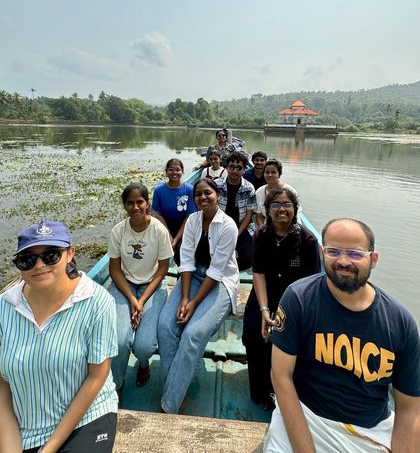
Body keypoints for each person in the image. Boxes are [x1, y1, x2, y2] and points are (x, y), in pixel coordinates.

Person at [264, 218, 420, 453]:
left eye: (355, 254)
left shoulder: (400, 322)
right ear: (321, 254)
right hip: (307, 415)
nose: (343, 261)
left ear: (373, 259)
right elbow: (280, 376)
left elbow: (409, 407)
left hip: (369, 429)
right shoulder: (299, 299)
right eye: (333, 251)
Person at [0, 220, 118, 453]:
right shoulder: (5, 308)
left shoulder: (97, 303)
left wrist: (49, 448)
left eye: (51, 255)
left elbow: (96, 378)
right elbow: (3, 387)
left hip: (86, 419)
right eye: (27, 260)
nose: (39, 265)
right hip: (25, 425)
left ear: (70, 253)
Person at [158, 179, 239, 414]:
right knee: (165, 326)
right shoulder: (193, 221)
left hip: (220, 280)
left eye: (208, 193)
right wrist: (184, 299)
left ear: (217, 195)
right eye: (199, 195)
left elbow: (216, 269)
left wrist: (193, 304)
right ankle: (176, 388)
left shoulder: (228, 225)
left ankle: (169, 404)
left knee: (193, 333)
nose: (203, 198)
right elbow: (186, 260)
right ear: (194, 199)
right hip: (192, 276)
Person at [242, 188, 320, 411]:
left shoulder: (307, 240)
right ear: (267, 210)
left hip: (296, 300)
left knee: (282, 341)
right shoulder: (261, 235)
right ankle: (259, 390)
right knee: (252, 335)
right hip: (265, 294)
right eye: (275, 205)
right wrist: (265, 310)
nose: (281, 209)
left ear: (295, 210)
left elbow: (311, 284)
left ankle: (279, 389)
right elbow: (258, 273)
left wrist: (285, 310)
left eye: (287, 204)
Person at [108, 182, 173, 395]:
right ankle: (117, 383)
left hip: (152, 286)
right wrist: (132, 299)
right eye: (130, 203)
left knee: (144, 345)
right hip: (124, 285)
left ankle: (143, 364)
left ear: (147, 203)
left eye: (140, 202)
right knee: (119, 341)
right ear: (125, 206)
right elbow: (115, 270)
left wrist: (142, 299)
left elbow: (163, 269)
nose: (135, 207)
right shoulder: (118, 231)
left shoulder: (159, 230)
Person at [215, 150, 256, 271]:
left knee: (248, 259)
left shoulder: (249, 188)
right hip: (220, 224)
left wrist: (236, 233)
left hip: (241, 226)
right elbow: (211, 210)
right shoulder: (216, 185)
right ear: (226, 168)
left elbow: (249, 215)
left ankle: (231, 270)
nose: (235, 171)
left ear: (244, 170)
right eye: (231, 167)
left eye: (239, 168)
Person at [151, 158, 195, 265]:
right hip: (164, 225)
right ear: (166, 172)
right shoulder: (159, 190)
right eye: (171, 170)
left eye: (177, 170)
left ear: (182, 172)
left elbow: (189, 216)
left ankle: (182, 276)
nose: (174, 173)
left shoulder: (189, 189)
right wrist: (169, 236)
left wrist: (176, 239)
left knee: (182, 252)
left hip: (184, 225)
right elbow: (157, 214)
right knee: (154, 250)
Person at [255, 158, 299, 226]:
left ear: (279, 174)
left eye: (273, 172)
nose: (270, 175)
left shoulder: (290, 191)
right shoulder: (259, 192)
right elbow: (259, 216)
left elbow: (296, 216)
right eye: (267, 172)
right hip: (267, 228)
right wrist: (263, 232)